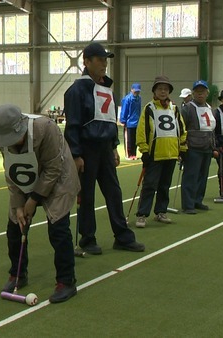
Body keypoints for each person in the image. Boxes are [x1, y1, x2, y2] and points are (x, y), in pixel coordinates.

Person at [0, 104, 79, 303]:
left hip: (59, 178)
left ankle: (66, 281)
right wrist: (19, 205)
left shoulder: (46, 129)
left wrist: (34, 200)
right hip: (25, 177)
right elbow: (10, 173)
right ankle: (18, 273)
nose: (10, 143)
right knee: (15, 226)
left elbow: (53, 169)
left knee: (58, 228)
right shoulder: (3, 141)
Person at [63, 42, 145, 254]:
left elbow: (110, 121)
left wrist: (114, 146)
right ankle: (88, 239)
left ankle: (123, 236)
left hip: (105, 149)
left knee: (114, 193)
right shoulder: (76, 91)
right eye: (100, 60)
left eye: (105, 60)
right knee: (87, 197)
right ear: (86, 61)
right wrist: (76, 154)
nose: (104, 64)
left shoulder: (106, 88)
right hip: (87, 150)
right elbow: (72, 125)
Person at [134, 75, 187, 228]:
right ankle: (142, 214)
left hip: (171, 154)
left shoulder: (174, 108)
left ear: (169, 91)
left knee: (165, 185)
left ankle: (161, 212)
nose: (163, 91)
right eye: (160, 89)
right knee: (150, 185)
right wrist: (144, 151)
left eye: (165, 89)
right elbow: (142, 131)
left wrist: (182, 148)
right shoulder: (149, 108)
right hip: (154, 155)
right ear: (154, 91)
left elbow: (182, 129)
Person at [180, 80, 215, 214]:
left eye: (203, 91)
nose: (200, 93)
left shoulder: (209, 107)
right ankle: (188, 204)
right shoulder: (188, 108)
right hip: (193, 147)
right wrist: (182, 146)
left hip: (207, 146)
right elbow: (182, 127)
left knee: (202, 176)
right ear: (193, 93)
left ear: (207, 93)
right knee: (191, 176)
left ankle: (197, 200)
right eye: (198, 91)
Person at [120, 83, 142, 160]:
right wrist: (123, 120)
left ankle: (134, 154)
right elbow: (124, 110)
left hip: (136, 122)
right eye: (135, 91)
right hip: (129, 123)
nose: (136, 93)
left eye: (138, 91)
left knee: (135, 140)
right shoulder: (127, 99)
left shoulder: (139, 98)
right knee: (129, 140)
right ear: (131, 90)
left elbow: (139, 110)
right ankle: (128, 155)